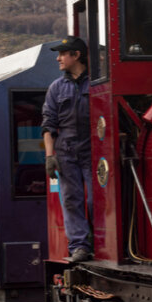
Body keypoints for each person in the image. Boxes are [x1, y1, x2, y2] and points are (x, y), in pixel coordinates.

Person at [42, 35, 93, 263]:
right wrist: (50, 156)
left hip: (94, 147)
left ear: (76, 56)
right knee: (72, 199)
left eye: (63, 54)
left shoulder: (96, 82)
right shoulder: (56, 88)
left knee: (96, 198)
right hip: (66, 149)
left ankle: (102, 241)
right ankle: (79, 246)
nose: (58, 59)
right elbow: (48, 123)